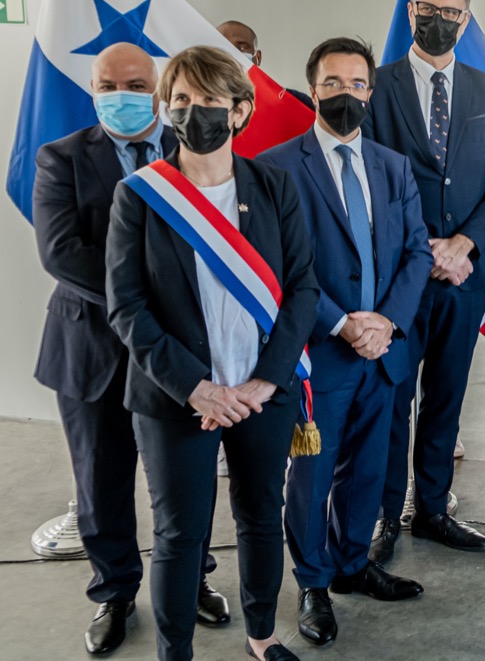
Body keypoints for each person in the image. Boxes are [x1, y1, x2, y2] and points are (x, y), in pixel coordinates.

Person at [105, 45, 319, 661]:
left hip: (261, 394)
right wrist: (196, 387)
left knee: (260, 515)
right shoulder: (139, 196)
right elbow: (127, 307)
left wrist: (264, 383)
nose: (193, 113)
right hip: (177, 398)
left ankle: (262, 634)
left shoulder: (273, 186)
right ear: (165, 111)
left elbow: (302, 286)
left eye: (208, 102)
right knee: (180, 533)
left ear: (241, 111)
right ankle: (175, 653)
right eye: (180, 102)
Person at [32, 42, 229, 656]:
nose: (121, 96)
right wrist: (140, 296)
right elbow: (59, 253)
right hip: (91, 351)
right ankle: (114, 593)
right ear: (90, 89)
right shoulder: (60, 158)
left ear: (162, 89)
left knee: (186, 480)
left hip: (177, 355)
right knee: (101, 478)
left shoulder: (194, 153)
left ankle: (191, 579)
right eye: (107, 85)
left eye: (136, 84)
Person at [259, 38, 433, 648]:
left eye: (357, 84)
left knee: (368, 468)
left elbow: (416, 251)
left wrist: (386, 322)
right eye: (333, 83)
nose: (346, 95)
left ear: (370, 92)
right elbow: (278, 267)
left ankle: (354, 564)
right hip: (320, 354)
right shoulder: (278, 167)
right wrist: (344, 325)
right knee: (311, 475)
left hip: (383, 353)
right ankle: (312, 582)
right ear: (313, 89)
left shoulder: (391, 165)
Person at [365, 0, 485, 561]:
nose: (440, 21)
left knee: (447, 397)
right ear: (410, 11)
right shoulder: (376, 87)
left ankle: (432, 508)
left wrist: (462, 245)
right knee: (393, 398)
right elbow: (371, 180)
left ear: (466, 19)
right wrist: (421, 248)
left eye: (453, 14)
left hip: (464, 278)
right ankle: (384, 516)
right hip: (398, 281)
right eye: (429, 9)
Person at [217, 19, 312, 111]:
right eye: (223, 46)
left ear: (258, 58)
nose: (231, 54)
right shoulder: (202, 106)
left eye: (242, 47)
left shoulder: (293, 102)